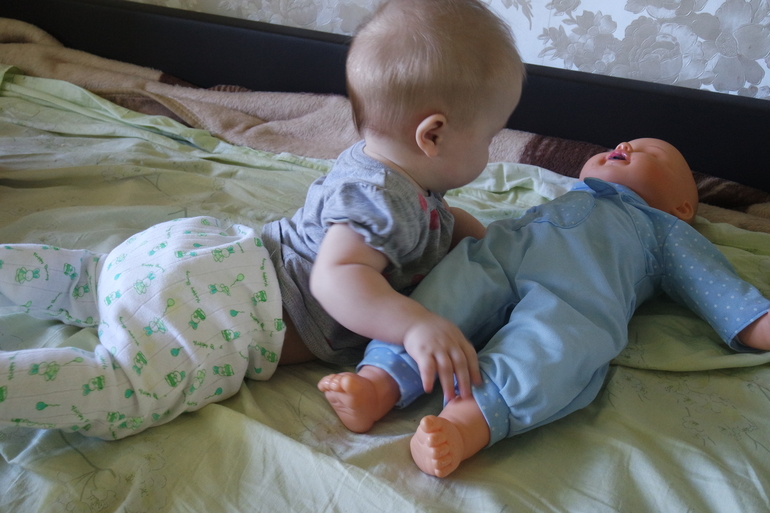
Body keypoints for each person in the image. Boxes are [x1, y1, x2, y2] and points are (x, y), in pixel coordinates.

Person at [0, 0, 524, 440]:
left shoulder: (391, 172)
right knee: (124, 391)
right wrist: (415, 324)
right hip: (229, 309)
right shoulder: (381, 199)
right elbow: (336, 277)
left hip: (203, 253)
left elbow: (435, 223)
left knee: (92, 281)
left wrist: (486, 242)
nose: (490, 150)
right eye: (489, 137)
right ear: (432, 135)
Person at [318, 138, 770, 477]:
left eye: (654, 152)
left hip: (578, 289)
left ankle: (466, 422)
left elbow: (718, 290)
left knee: (553, 343)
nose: (626, 145)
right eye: (622, 144)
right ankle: (379, 381)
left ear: (682, 206)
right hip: (498, 256)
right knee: (444, 296)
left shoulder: (664, 229)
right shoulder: (569, 195)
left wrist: (757, 323)